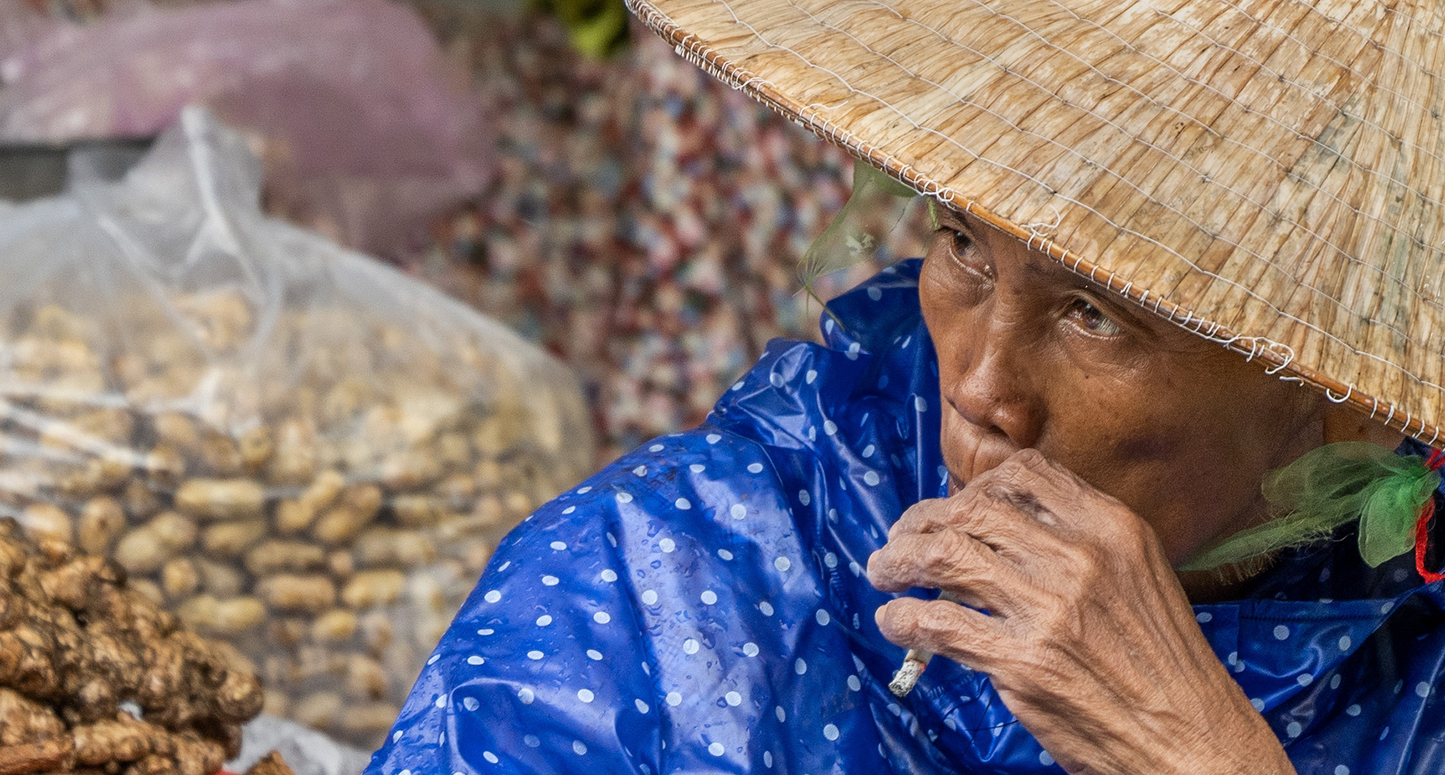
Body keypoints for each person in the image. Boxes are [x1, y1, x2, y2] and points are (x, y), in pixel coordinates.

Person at [364, 0, 1445, 771]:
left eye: (1091, 314)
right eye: (962, 246)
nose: (978, 387)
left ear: (1338, 387)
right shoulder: (676, 566)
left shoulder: (1408, 676)